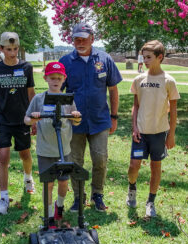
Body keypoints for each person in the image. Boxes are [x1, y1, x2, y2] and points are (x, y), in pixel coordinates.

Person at [59, 23, 122, 212]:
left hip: (99, 120)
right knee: (75, 161)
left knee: (100, 159)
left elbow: (113, 89)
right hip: (74, 122)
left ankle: (98, 195)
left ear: (92, 39)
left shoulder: (105, 59)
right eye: (76, 39)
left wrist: (114, 116)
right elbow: (57, 90)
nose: (80, 42)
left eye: (84, 38)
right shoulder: (65, 62)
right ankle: (79, 197)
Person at [126, 40, 180, 217]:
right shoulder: (139, 79)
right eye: (144, 57)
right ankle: (132, 187)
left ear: (160, 57)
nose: (145, 60)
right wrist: (134, 127)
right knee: (134, 166)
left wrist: (170, 135)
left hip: (159, 133)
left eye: (149, 57)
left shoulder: (168, 81)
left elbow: (173, 111)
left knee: (155, 168)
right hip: (141, 131)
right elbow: (136, 105)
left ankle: (150, 201)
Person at [24, 62, 81, 228]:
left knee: (63, 182)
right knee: (48, 184)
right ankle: (49, 216)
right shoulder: (38, 99)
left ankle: (60, 206)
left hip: (64, 149)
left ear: (64, 79)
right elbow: (26, 119)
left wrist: (75, 116)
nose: (55, 81)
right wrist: (34, 118)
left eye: (59, 78)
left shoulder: (67, 99)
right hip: (45, 150)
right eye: (52, 78)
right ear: (45, 78)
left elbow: (76, 122)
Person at [0, 32, 36, 215]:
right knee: (3, 155)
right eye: (9, 49)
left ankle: (28, 177)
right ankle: (4, 197)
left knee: (25, 154)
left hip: (22, 118)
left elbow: (31, 93)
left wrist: (34, 119)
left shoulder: (26, 67)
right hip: (2, 119)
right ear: (1, 49)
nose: (13, 53)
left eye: (15, 49)